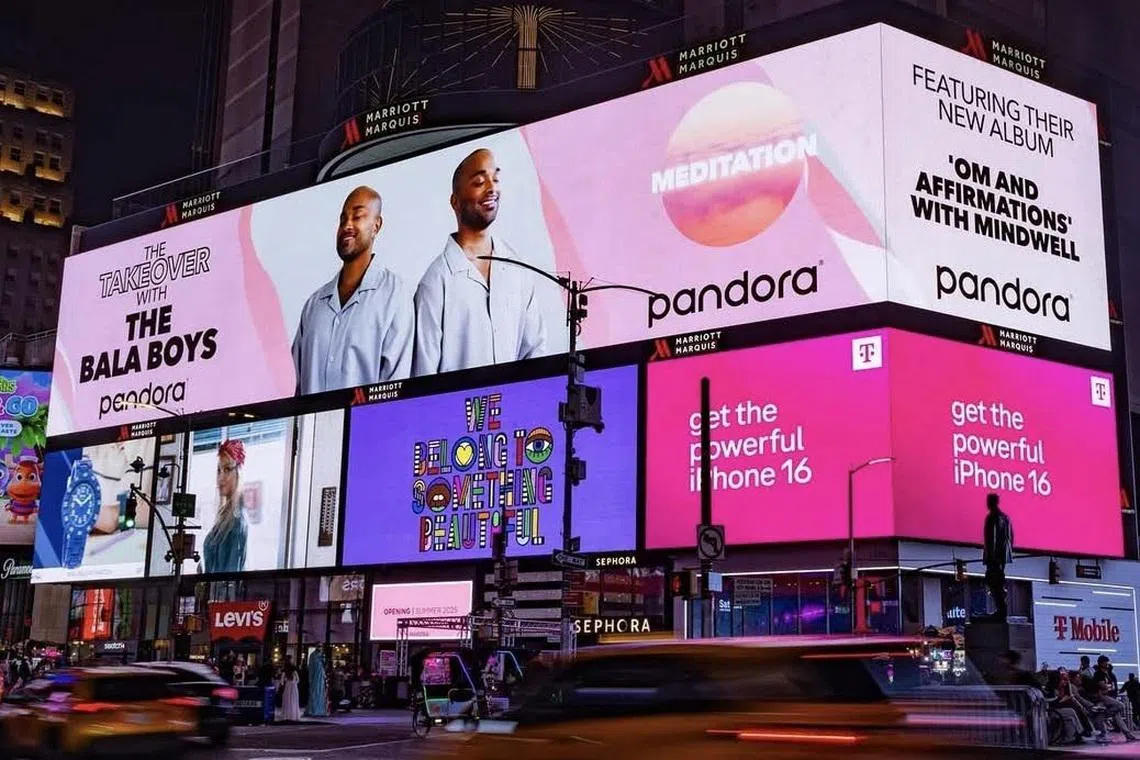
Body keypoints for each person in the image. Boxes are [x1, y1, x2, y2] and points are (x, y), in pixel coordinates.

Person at [413, 149, 549, 377]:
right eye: (478, 181)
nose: (491, 188)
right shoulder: (436, 283)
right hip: (456, 411)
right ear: (455, 202)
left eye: (495, 179)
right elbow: (423, 376)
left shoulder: (518, 269)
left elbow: (536, 353)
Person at [292, 186, 414, 394]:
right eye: (342, 220)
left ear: (376, 225)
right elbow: (292, 384)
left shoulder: (394, 295)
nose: (347, 225)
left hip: (370, 425)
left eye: (357, 216)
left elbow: (398, 383)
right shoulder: (314, 305)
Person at [202, 440, 248, 574]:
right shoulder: (224, 516)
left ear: (239, 473)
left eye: (227, 469)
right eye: (219, 470)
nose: (220, 477)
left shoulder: (237, 520)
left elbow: (230, 578)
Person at [982, 493, 1013, 621]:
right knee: (996, 582)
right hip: (1001, 558)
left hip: (994, 558)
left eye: (988, 501)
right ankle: (1001, 609)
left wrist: (992, 556)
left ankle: (1001, 609)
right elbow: (1010, 538)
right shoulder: (1005, 518)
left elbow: (992, 540)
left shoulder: (993, 517)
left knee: (993, 581)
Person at [1091, 655, 1137, 743]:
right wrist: (1108, 687)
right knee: (1120, 706)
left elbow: (1109, 686)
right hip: (1102, 697)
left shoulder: (1107, 673)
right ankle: (1105, 716)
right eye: (1106, 662)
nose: (1107, 663)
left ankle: (1128, 734)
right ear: (1101, 663)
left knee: (1116, 715)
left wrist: (1107, 687)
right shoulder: (1098, 674)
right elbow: (1103, 686)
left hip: (1107, 696)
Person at [279, 658, 302, 722]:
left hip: (287, 687)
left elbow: (281, 682)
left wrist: (285, 683)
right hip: (294, 687)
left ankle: (286, 715)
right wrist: (294, 682)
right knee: (294, 701)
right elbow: (298, 680)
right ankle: (294, 715)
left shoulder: (284, 671)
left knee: (287, 701)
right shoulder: (294, 671)